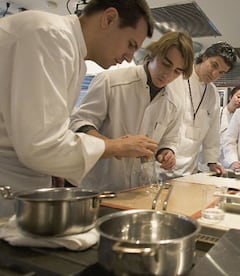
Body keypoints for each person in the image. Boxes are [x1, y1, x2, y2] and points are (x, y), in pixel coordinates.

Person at [0, 0, 156, 217]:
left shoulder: (73, 56)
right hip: (8, 186)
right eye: (130, 44)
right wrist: (115, 147)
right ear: (108, 19)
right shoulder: (49, 34)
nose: (129, 57)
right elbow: (40, 146)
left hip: (24, 188)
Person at [69, 31, 194, 191]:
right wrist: (115, 146)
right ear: (153, 54)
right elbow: (79, 123)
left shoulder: (174, 103)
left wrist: (167, 152)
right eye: (166, 64)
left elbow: (168, 140)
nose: (168, 74)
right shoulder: (111, 81)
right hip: (101, 187)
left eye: (177, 71)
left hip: (140, 189)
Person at [168, 42, 237, 177]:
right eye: (214, 65)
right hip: (163, 162)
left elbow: (213, 132)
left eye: (221, 72)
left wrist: (212, 161)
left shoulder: (213, 94)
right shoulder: (176, 78)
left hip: (189, 169)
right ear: (205, 57)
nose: (215, 74)